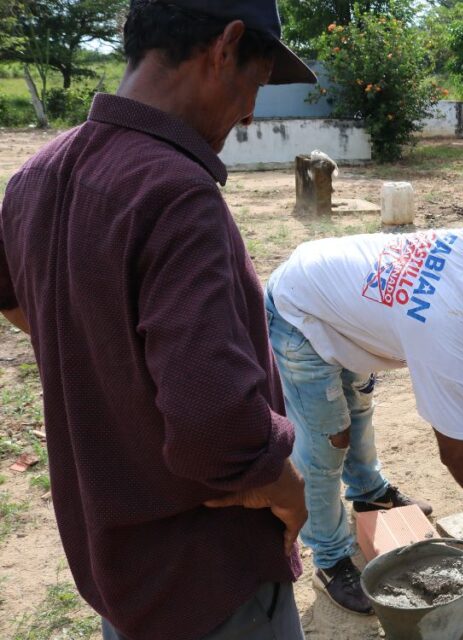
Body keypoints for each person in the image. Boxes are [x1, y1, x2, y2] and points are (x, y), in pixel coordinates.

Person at [0, 1, 316, 639]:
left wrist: (114, 359)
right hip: (208, 579)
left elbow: (15, 300)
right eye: (255, 84)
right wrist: (286, 488)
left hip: (118, 568)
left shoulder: (34, 175)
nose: (251, 112)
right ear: (225, 48)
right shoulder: (176, 194)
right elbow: (215, 429)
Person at [264, 226, 463, 614]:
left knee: (358, 409)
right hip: (301, 312)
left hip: (343, 289)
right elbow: (456, 455)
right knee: (330, 439)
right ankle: (329, 560)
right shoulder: (445, 340)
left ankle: (369, 492)